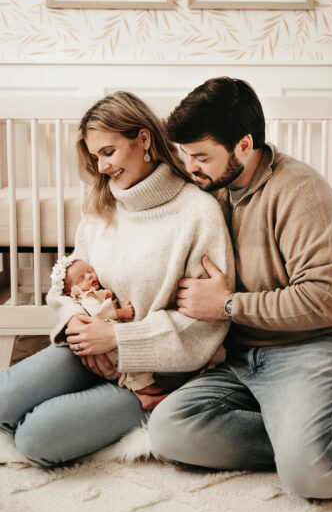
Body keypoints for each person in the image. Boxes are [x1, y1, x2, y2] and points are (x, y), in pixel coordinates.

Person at [148, 76, 332, 499]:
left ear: (244, 145)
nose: (190, 167)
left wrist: (228, 305)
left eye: (201, 156)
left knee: (313, 477)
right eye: (185, 154)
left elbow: (331, 301)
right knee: (169, 431)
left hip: (315, 346)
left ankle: (312, 450)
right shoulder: (210, 190)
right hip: (244, 357)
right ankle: (301, 443)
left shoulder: (302, 191)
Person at [0, 91, 234, 467]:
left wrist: (118, 339)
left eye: (108, 152)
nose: (103, 166)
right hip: (90, 353)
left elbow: (206, 325)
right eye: (96, 157)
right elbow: (71, 278)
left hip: (157, 374)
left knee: (35, 439)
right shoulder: (102, 204)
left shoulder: (198, 212)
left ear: (143, 139)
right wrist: (74, 322)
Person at [49, 256, 167, 410]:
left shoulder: (89, 294)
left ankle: (143, 397)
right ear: (70, 293)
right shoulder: (86, 296)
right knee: (135, 362)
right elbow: (99, 312)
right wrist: (121, 312)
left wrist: (105, 296)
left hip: (100, 348)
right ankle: (145, 389)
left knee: (125, 373)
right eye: (81, 278)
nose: (89, 276)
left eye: (90, 271)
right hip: (102, 348)